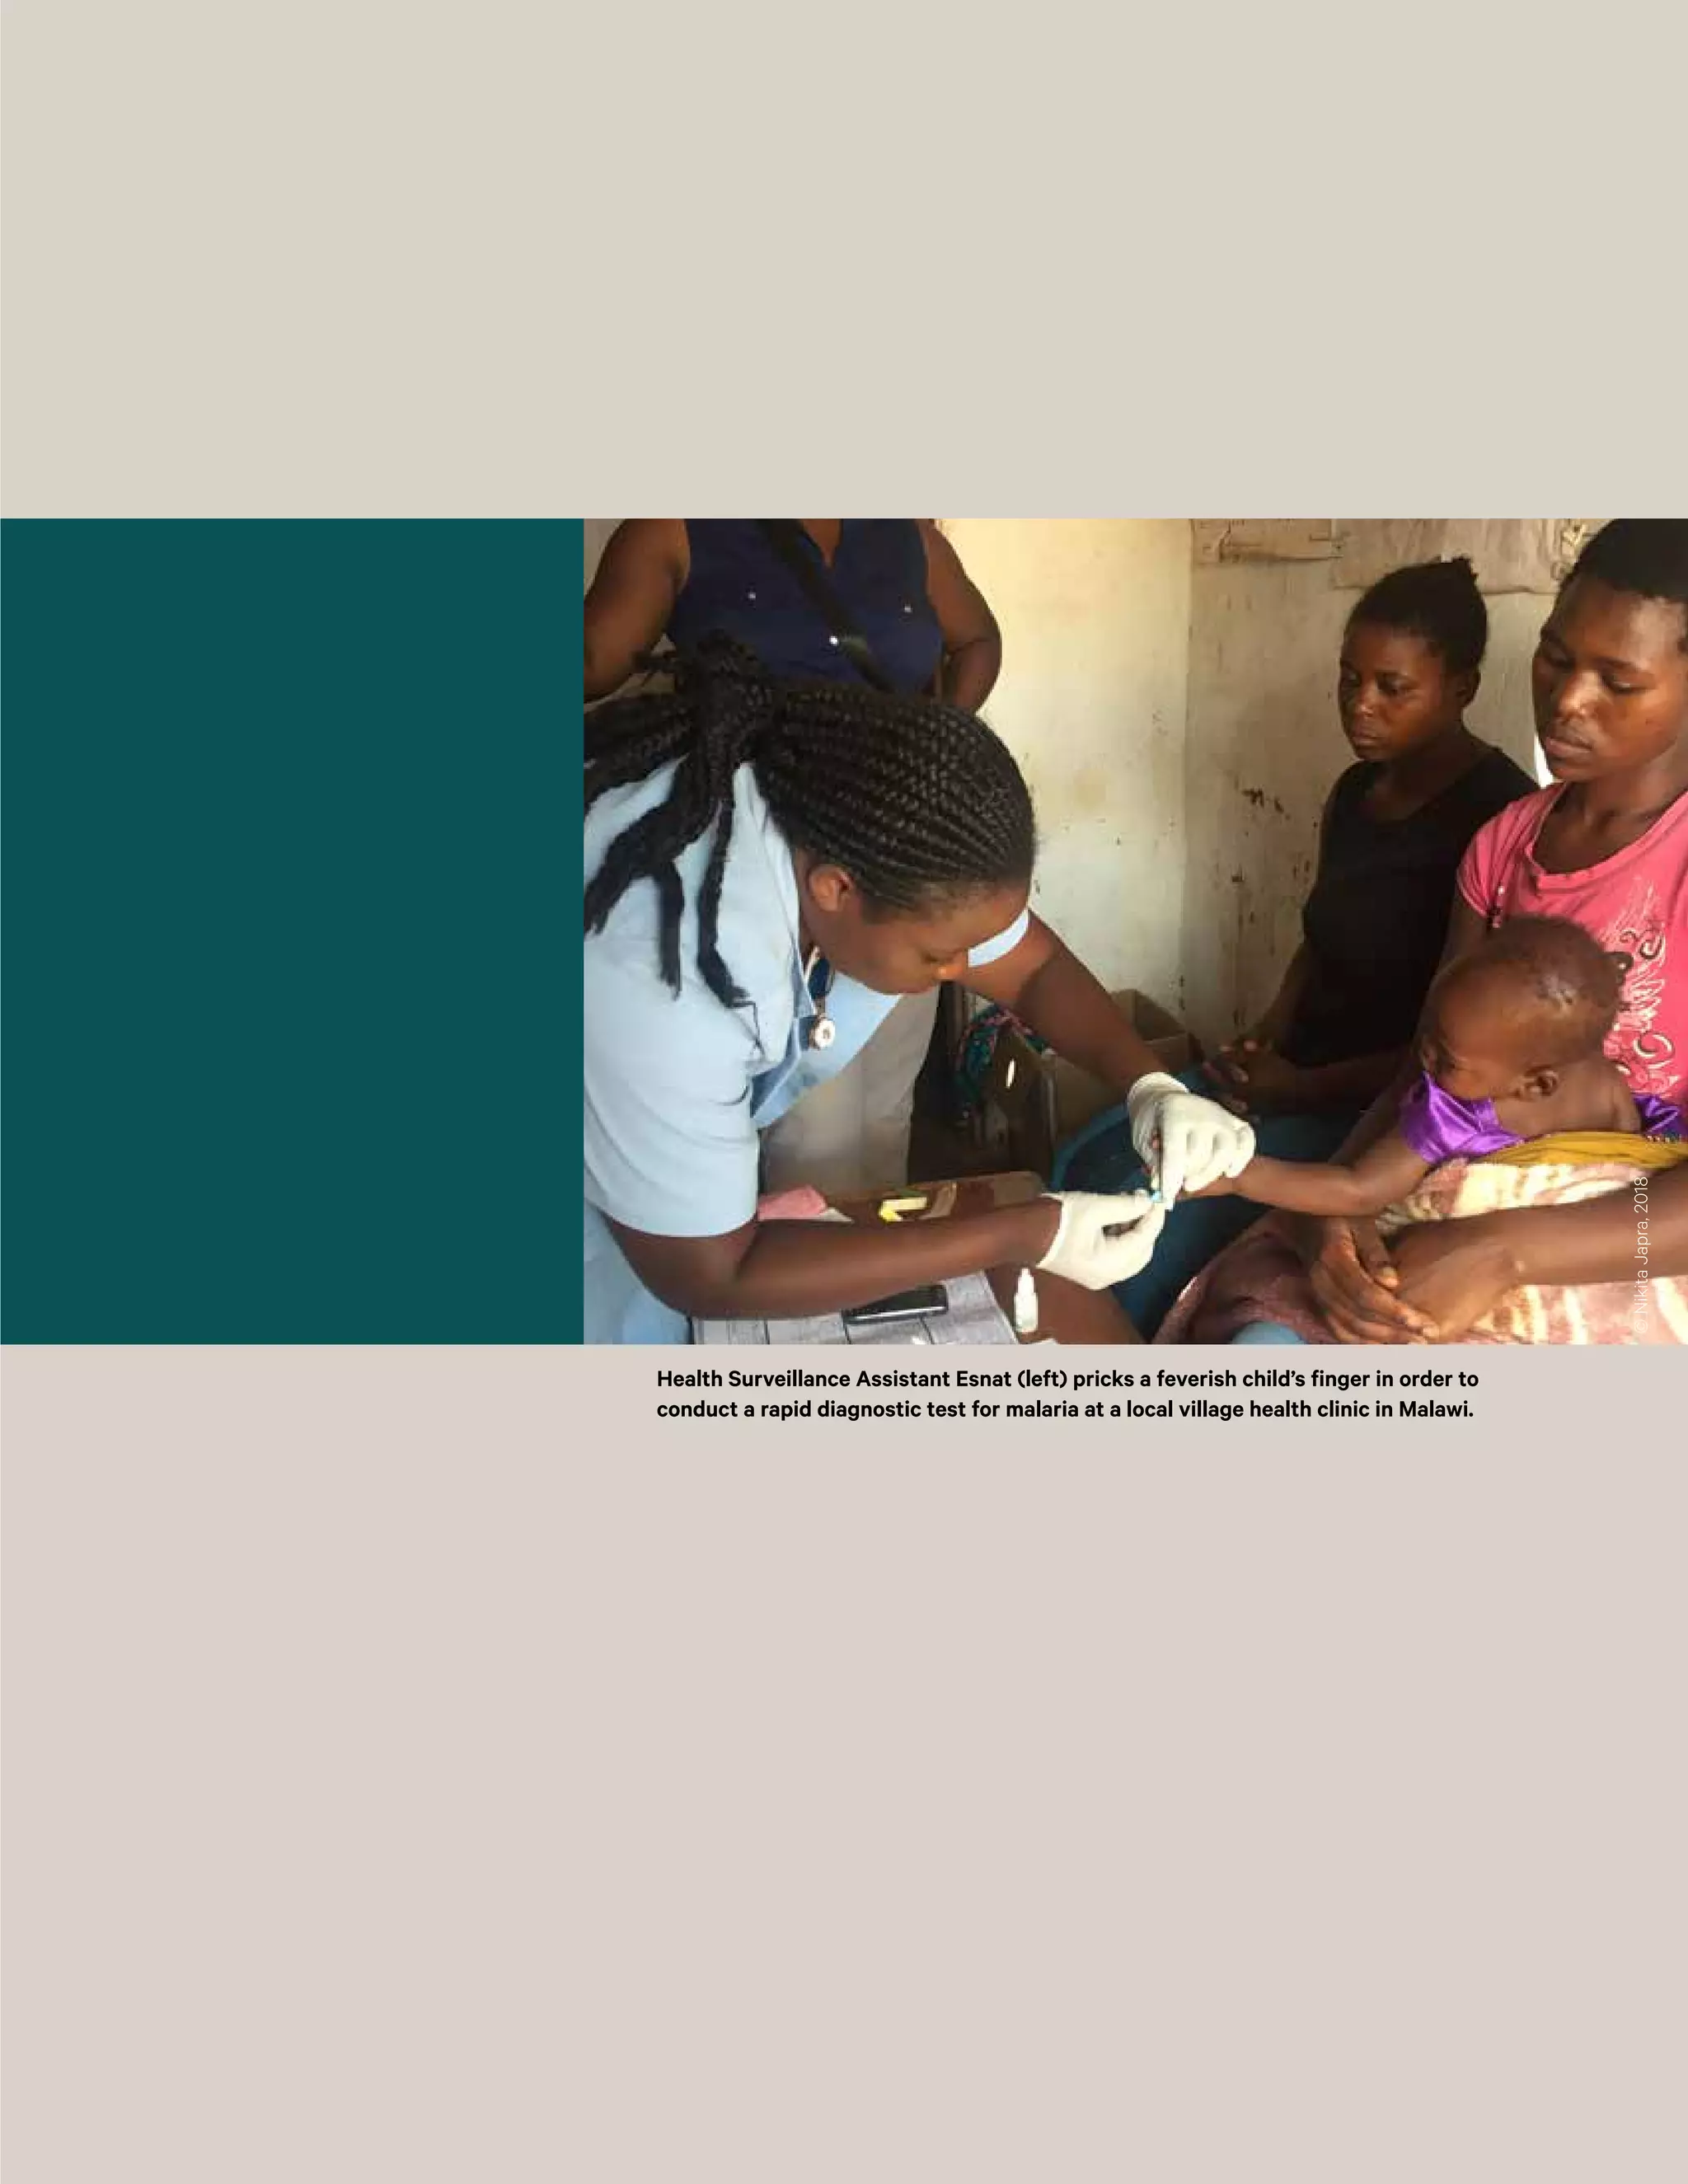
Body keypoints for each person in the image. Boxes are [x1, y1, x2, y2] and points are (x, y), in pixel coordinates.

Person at [583, 638, 1254, 1343]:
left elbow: (1031, 968)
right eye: (939, 956)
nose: (964, 969)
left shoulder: (863, 833)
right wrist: (1023, 1233)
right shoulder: (663, 985)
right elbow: (713, 1273)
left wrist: (1151, 1086)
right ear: (835, 889)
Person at [1172, 518, 1688, 1344]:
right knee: (1256, 1334)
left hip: (1613, 1244)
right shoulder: (1503, 844)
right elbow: (1428, 1064)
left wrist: (1504, 1252)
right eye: (1555, 657)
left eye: (1617, 683)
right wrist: (1337, 1209)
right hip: (1441, 1196)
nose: (1566, 701)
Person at [1053, 555, 1535, 1333]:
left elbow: (1455, 1052)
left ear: (1462, 688)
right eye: (1350, 679)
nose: (1360, 705)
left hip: (1382, 1110)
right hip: (1295, 1069)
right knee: (1090, 1154)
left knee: (1150, 1212)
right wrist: (1265, 1036)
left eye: (1392, 687)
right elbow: (1322, 935)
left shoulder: (1497, 823)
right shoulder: (1356, 791)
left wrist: (1299, 1090)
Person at [584, 519, 1003, 1197]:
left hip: (895, 848)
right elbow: (592, 661)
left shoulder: (908, 537)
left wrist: (934, 738)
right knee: (812, 1129)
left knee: (887, 1102)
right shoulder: (677, 529)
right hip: (767, 859)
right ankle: (804, 1252)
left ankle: (871, 1250)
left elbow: (979, 639)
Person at [1184, 917, 1680, 1220]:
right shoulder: (1602, 1080)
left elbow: (1359, 1191)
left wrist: (1238, 1177)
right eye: (1427, 1036)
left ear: (1536, 1084)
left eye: (1447, 1058)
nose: (1424, 1060)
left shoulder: (1456, 1113)